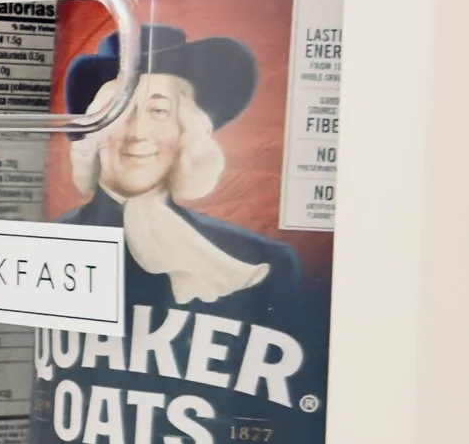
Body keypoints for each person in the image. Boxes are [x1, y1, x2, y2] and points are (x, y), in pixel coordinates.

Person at [57, 23, 309, 322]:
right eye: (121, 110)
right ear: (95, 130)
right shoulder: (51, 245)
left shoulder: (261, 261)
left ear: (185, 132)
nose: (137, 132)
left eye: (159, 111)